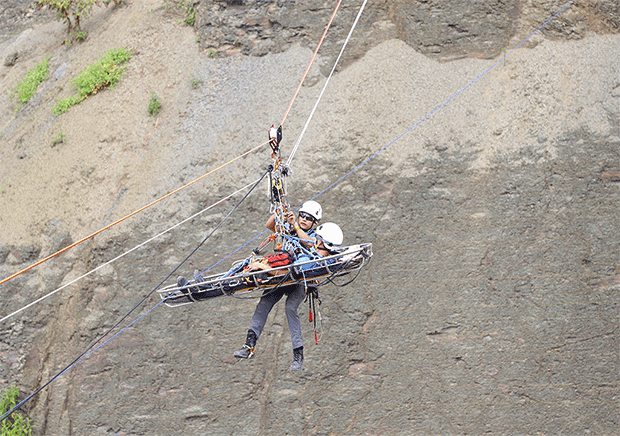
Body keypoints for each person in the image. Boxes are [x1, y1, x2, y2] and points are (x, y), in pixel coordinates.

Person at [233, 201, 327, 371]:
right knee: (263, 305)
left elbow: (308, 244)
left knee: (291, 309)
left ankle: (298, 354)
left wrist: (295, 225)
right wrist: (281, 213)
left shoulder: (316, 237)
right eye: (303, 216)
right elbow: (270, 225)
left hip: (297, 279)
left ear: (314, 222)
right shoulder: (287, 230)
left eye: (309, 218)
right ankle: (249, 346)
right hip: (279, 276)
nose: (304, 219)